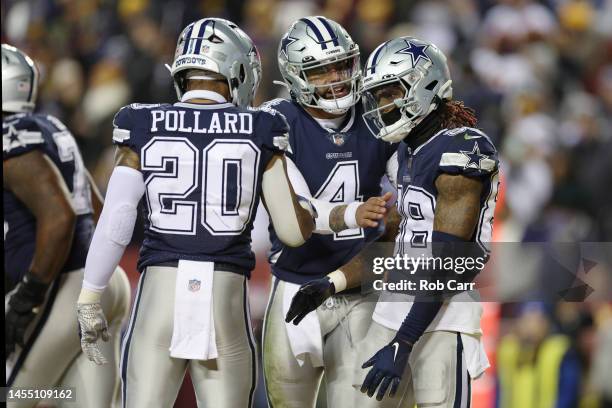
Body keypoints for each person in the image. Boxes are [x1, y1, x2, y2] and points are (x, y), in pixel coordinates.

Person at [75, 18, 382, 408]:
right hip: (224, 300)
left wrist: (89, 297)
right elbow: (292, 230)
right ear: (237, 70)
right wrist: (317, 209)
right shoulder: (261, 126)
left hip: (158, 295)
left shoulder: (142, 121)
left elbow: (117, 220)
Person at [285, 36, 500, 407]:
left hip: (443, 321)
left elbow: (448, 262)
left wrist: (404, 341)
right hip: (392, 312)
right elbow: (396, 248)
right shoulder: (405, 152)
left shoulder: (463, 149)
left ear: (424, 84)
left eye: (390, 93)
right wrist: (331, 282)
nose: (383, 105)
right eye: (378, 96)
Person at [261, 16, 398, 408]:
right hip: (294, 285)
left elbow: (405, 200)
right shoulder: (277, 120)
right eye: (321, 70)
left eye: (341, 65)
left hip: (363, 288)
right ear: (296, 76)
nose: (336, 77)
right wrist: (353, 214)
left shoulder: (377, 115)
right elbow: (297, 213)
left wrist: (398, 213)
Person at [3, 43, 130, 408]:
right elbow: (96, 208)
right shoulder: (49, 126)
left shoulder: (12, 141)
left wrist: (28, 297)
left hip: (64, 292)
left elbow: (59, 217)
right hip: (100, 284)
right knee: (74, 400)